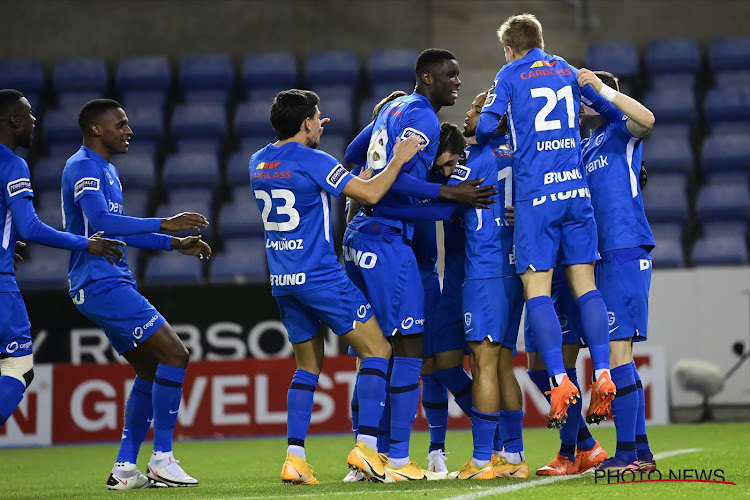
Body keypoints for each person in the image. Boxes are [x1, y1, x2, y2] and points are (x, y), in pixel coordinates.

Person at [250, 89, 424, 485]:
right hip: (321, 276)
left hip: (282, 280)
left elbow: (311, 186)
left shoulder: (257, 161)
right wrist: (398, 158)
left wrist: (309, 136)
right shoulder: (315, 160)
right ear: (306, 122)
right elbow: (372, 194)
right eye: (317, 117)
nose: (321, 121)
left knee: (307, 367)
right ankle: (366, 449)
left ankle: (294, 458)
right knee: (378, 348)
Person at [343, 48, 493, 481]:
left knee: (374, 354)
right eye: (450, 75)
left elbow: (355, 154)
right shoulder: (424, 117)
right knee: (412, 351)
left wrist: (367, 194)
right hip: (392, 245)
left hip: (363, 238)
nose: (457, 82)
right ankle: (397, 457)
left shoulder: (391, 107)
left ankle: (369, 451)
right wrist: (448, 197)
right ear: (427, 78)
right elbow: (395, 186)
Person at [61, 99, 212, 489]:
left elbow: (119, 229)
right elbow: (102, 220)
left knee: (150, 368)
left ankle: (125, 469)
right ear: (97, 129)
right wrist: (167, 220)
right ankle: (162, 457)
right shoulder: (84, 166)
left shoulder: (108, 170)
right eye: (120, 124)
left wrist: (172, 242)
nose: (128, 131)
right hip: (100, 282)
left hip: (109, 280)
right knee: (176, 354)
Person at [477, 13, 619, 428]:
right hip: (576, 193)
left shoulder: (509, 74)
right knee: (585, 285)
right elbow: (610, 113)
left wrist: (497, 106)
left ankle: (559, 380)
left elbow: (485, 129)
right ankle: (605, 373)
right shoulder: (569, 71)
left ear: (510, 47)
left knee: (536, 288)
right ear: (541, 39)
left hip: (537, 198)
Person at [0, 89, 124, 432]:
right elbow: (31, 227)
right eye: (27, 114)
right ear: (13, 120)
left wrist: (8, 246)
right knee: (17, 368)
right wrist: (87, 244)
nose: (34, 121)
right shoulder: (12, 163)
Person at [577, 69, 656, 472]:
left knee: (618, 353)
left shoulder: (621, 130)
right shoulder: (587, 145)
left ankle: (626, 455)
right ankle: (640, 452)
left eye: (583, 94)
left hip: (624, 248)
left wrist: (603, 90)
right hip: (602, 254)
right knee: (616, 352)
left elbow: (648, 119)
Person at [450, 94, 527, 480]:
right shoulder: (523, 153)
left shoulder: (472, 158)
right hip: (515, 270)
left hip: (484, 270)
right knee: (501, 365)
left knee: (481, 363)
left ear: (495, 120)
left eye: (477, 109)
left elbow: (439, 200)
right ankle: (514, 457)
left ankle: (483, 459)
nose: (468, 113)